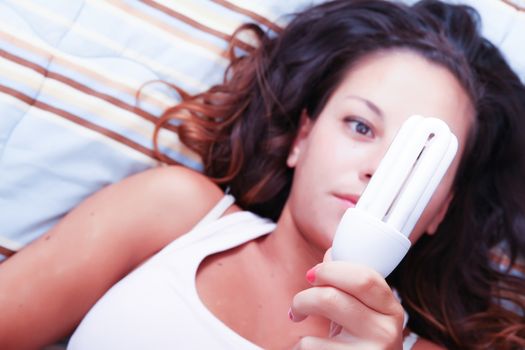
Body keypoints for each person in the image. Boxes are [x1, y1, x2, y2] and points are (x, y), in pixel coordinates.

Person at [1, 0, 524, 349]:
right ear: (302, 138)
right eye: (360, 126)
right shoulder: (175, 217)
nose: (377, 169)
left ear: (439, 210)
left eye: (416, 163)